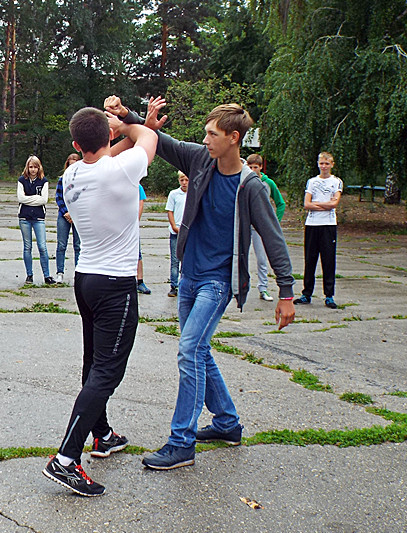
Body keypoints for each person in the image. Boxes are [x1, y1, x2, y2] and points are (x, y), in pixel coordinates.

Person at [106, 95, 295, 470]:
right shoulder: (200, 160)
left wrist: (286, 292)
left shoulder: (250, 186)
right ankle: (227, 423)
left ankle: (182, 442)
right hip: (189, 276)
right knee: (200, 351)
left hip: (218, 282)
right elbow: (164, 144)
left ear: (234, 138)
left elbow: (273, 238)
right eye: (206, 133)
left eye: (212, 134)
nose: (205, 139)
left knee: (189, 351)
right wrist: (127, 115)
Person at [42, 107, 157, 497]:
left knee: (93, 364)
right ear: (107, 137)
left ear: (76, 145)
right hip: (115, 284)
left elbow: (121, 149)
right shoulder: (119, 170)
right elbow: (147, 140)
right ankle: (66, 459)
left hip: (86, 278)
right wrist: (131, 122)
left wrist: (122, 131)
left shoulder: (72, 173)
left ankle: (103, 433)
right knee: (107, 371)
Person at [293, 151, 342, 309]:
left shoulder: (336, 182)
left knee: (328, 260)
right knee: (310, 259)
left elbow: (334, 204)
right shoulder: (312, 182)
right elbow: (307, 204)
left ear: (332, 165)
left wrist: (322, 205)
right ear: (318, 164)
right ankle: (306, 293)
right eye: (322, 163)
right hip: (312, 224)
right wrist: (324, 204)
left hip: (328, 225)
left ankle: (329, 295)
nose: (324, 166)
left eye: (327, 163)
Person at [247, 153, 286, 302]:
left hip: (260, 227)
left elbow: (280, 203)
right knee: (238, 256)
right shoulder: (243, 179)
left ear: (260, 167)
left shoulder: (268, 183)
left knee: (262, 259)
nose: (252, 169)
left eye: (255, 167)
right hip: (245, 225)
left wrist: (274, 222)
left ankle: (263, 288)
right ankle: (236, 288)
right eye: (249, 167)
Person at [17, 155, 55, 285]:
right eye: (31, 167)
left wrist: (30, 199)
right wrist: (35, 199)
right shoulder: (22, 180)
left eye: (35, 167)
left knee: (42, 246)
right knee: (27, 246)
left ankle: (47, 275)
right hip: (24, 217)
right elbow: (21, 198)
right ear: (27, 167)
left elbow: (44, 200)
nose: (33, 169)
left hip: (39, 217)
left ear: (39, 168)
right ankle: (29, 274)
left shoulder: (43, 181)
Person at [54, 153, 81, 283]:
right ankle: (60, 272)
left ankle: (79, 273)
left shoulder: (82, 179)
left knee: (78, 245)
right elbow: (59, 197)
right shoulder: (62, 179)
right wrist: (66, 212)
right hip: (64, 215)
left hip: (78, 216)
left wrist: (75, 213)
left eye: (76, 160)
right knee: (61, 244)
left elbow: (83, 198)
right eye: (71, 160)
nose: (73, 162)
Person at [165, 171, 189, 297]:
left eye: (186, 180)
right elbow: (170, 211)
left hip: (189, 232)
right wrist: (174, 226)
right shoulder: (174, 194)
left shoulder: (193, 194)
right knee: (175, 259)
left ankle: (185, 285)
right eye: (182, 180)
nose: (184, 183)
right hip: (176, 231)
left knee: (187, 259)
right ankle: (174, 285)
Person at [136, 184, 151, 294]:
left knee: (137, 254)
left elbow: (140, 204)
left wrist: (135, 222)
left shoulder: (138, 187)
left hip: (131, 228)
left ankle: (140, 281)